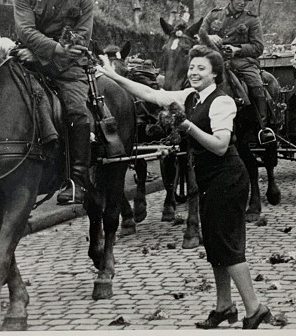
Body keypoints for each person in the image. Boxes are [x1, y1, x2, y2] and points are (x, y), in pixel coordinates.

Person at [97, 45, 273, 329]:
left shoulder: (222, 102)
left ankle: (255, 308)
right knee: (215, 245)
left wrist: (187, 126)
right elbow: (151, 94)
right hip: (209, 179)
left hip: (228, 178)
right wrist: (111, 76)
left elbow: (220, 146)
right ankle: (224, 306)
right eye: (192, 68)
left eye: (201, 68)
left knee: (228, 246)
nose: (193, 72)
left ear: (215, 73)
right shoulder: (190, 97)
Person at [13, 0, 94, 205]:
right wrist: (47, 50)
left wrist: (42, 55)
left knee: (77, 110)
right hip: (26, 60)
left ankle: (77, 180)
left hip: (67, 67)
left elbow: (80, 37)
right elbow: (25, 30)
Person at [198, 0, 275, 144]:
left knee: (257, 86)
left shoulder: (252, 20)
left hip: (242, 62)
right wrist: (209, 37)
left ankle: (262, 128)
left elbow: (258, 47)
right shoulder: (214, 15)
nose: (242, 2)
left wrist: (237, 49)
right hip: (214, 60)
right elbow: (200, 33)